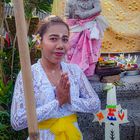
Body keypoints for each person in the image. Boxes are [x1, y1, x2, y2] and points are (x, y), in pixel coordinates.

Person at [11, 15, 101, 140]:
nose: (60, 45)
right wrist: (57, 102)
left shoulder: (74, 71)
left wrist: (70, 99)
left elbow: (96, 104)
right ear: (40, 42)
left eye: (65, 39)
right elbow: (17, 121)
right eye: (53, 39)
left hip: (73, 135)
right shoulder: (28, 74)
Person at [65, 0, 108, 77]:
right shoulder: (70, 1)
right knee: (72, 45)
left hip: (90, 28)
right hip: (76, 27)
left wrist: (84, 14)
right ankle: (73, 69)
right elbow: (68, 15)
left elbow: (98, 8)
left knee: (91, 49)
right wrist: (71, 17)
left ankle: (88, 71)